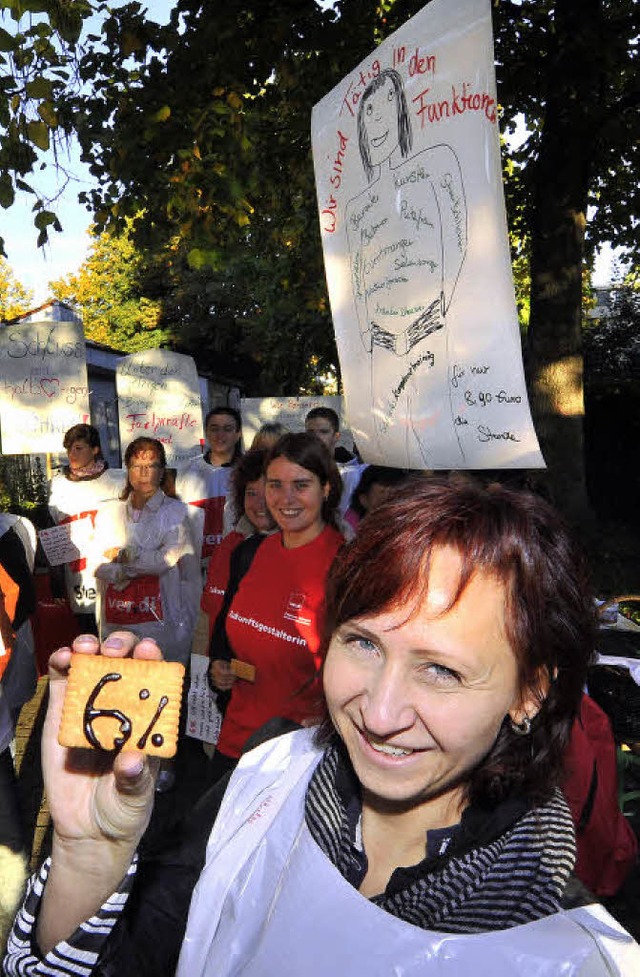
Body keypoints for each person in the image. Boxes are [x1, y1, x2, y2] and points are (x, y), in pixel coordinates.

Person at [6, 479, 640, 976]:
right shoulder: (264, 779)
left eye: (442, 671)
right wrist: (90, 859)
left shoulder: (573, 958)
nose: (382, 714)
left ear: (530, 693)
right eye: (363, 643)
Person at [208, 432, 344, 780]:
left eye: (301, 485)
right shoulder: (257, 552)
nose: (285, 499)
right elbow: (233, 631)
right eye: (275, 485)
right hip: (235, 743)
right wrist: (222, 667)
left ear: (326, 488)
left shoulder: (345, 567)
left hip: (297, 757)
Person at [91, 437, 200, 664]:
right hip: (118, 617)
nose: (144, 473)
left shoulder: (176, 513)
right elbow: (96, 562)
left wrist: (123, 558)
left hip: (165, 622)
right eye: (137, 466)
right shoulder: (109, 513)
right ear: (127, 470)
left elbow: (165, 559)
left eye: (151, 466)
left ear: (162, 471)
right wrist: (121, 570)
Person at [48, 424, 124, 633]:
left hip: (110, 568)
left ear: (95, 449)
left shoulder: (117, 480)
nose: (72, 454)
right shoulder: (59, 485)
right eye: (69, 449)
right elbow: (55, 534)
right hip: (78, 575)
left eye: (79, 448)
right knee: (87, 632)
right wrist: (56, 582)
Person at [200, 449, 275, 639]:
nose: (260, 504)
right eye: (251, 493)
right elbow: (209, 609)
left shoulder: (295, 549)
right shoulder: (229, 545)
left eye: (268, 493)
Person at [176, 407, 243, 572]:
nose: (220, 435)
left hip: (237, 564)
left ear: (238, 434)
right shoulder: (186, 471)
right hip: (196, 568)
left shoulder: (250, 470)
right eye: (214, 429)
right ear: (206, 433)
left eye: (227, 429)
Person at [344, 464, 412, 531]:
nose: (387, 494)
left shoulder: (406, 529)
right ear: (363, 499)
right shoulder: (348, 528)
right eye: (382, 492)